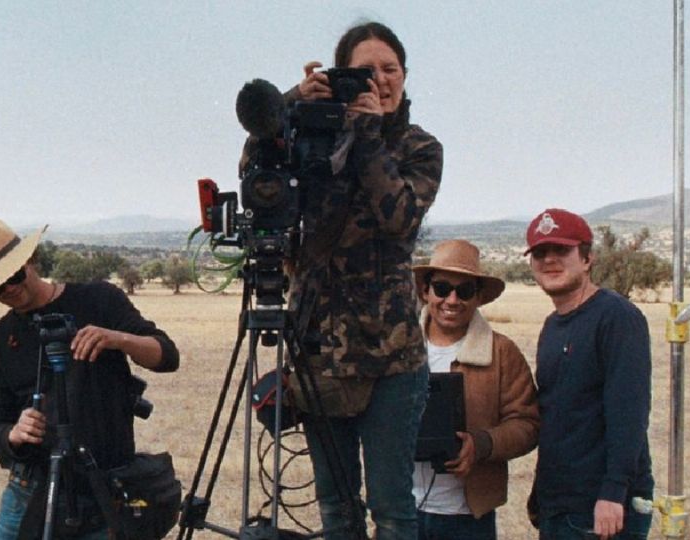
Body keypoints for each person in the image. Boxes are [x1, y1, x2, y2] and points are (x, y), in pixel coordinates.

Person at [243, 21, 443, 540]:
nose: (377, 81)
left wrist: (368, 133)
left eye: (389, 69)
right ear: (336, 78)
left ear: (405, 75)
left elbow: (399, 217)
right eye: (362, 72)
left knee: (393, 511)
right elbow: (257, 181)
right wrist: (289, 107)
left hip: (391, 360)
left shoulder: (420, 147)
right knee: (336, 508)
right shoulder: (307, 136)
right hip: (317, 352)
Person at [0, 215, 180, 540]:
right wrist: (14, 434)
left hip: (106, 488)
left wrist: (118, 339)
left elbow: (167, 355)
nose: (9, 290)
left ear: (30, 259)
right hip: (32, 489)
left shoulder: (99, 300)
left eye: (14, 276)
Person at [524, 209, 654, 540]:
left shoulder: (616, 317)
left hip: (601, 507)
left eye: (561, 251)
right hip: (560, 503)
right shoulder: (552, 326)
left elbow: (629, 412)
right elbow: (558, 414)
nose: (549, 260)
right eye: (540, 253)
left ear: (586, 259)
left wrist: (613, 492)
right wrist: (542, 490)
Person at [411, 239, 539, 540]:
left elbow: (528, 423)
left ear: (478, 297)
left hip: (467, 518)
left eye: (464, 290)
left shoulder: (502, 352)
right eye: (442, 288)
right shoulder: (398, 349)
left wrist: (481, 445)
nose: (452, 300)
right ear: (425, 291)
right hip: (401, 510)